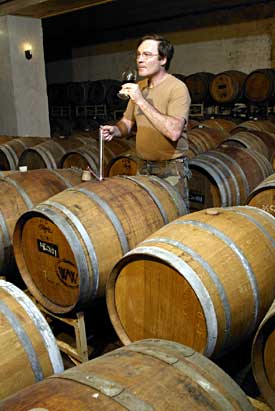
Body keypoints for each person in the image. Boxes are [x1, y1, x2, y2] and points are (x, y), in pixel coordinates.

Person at [101, 33, 191, 210]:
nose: (140, 60)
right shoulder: (140, 87)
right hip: (142, 166)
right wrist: (115, 130)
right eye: (138, 54)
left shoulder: (177, 88)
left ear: (163, 59)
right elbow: (127, 123)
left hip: (169, 169)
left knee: (172, 218)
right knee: (146, 218)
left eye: (147, 55)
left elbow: (173, 132)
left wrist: (141, 101)